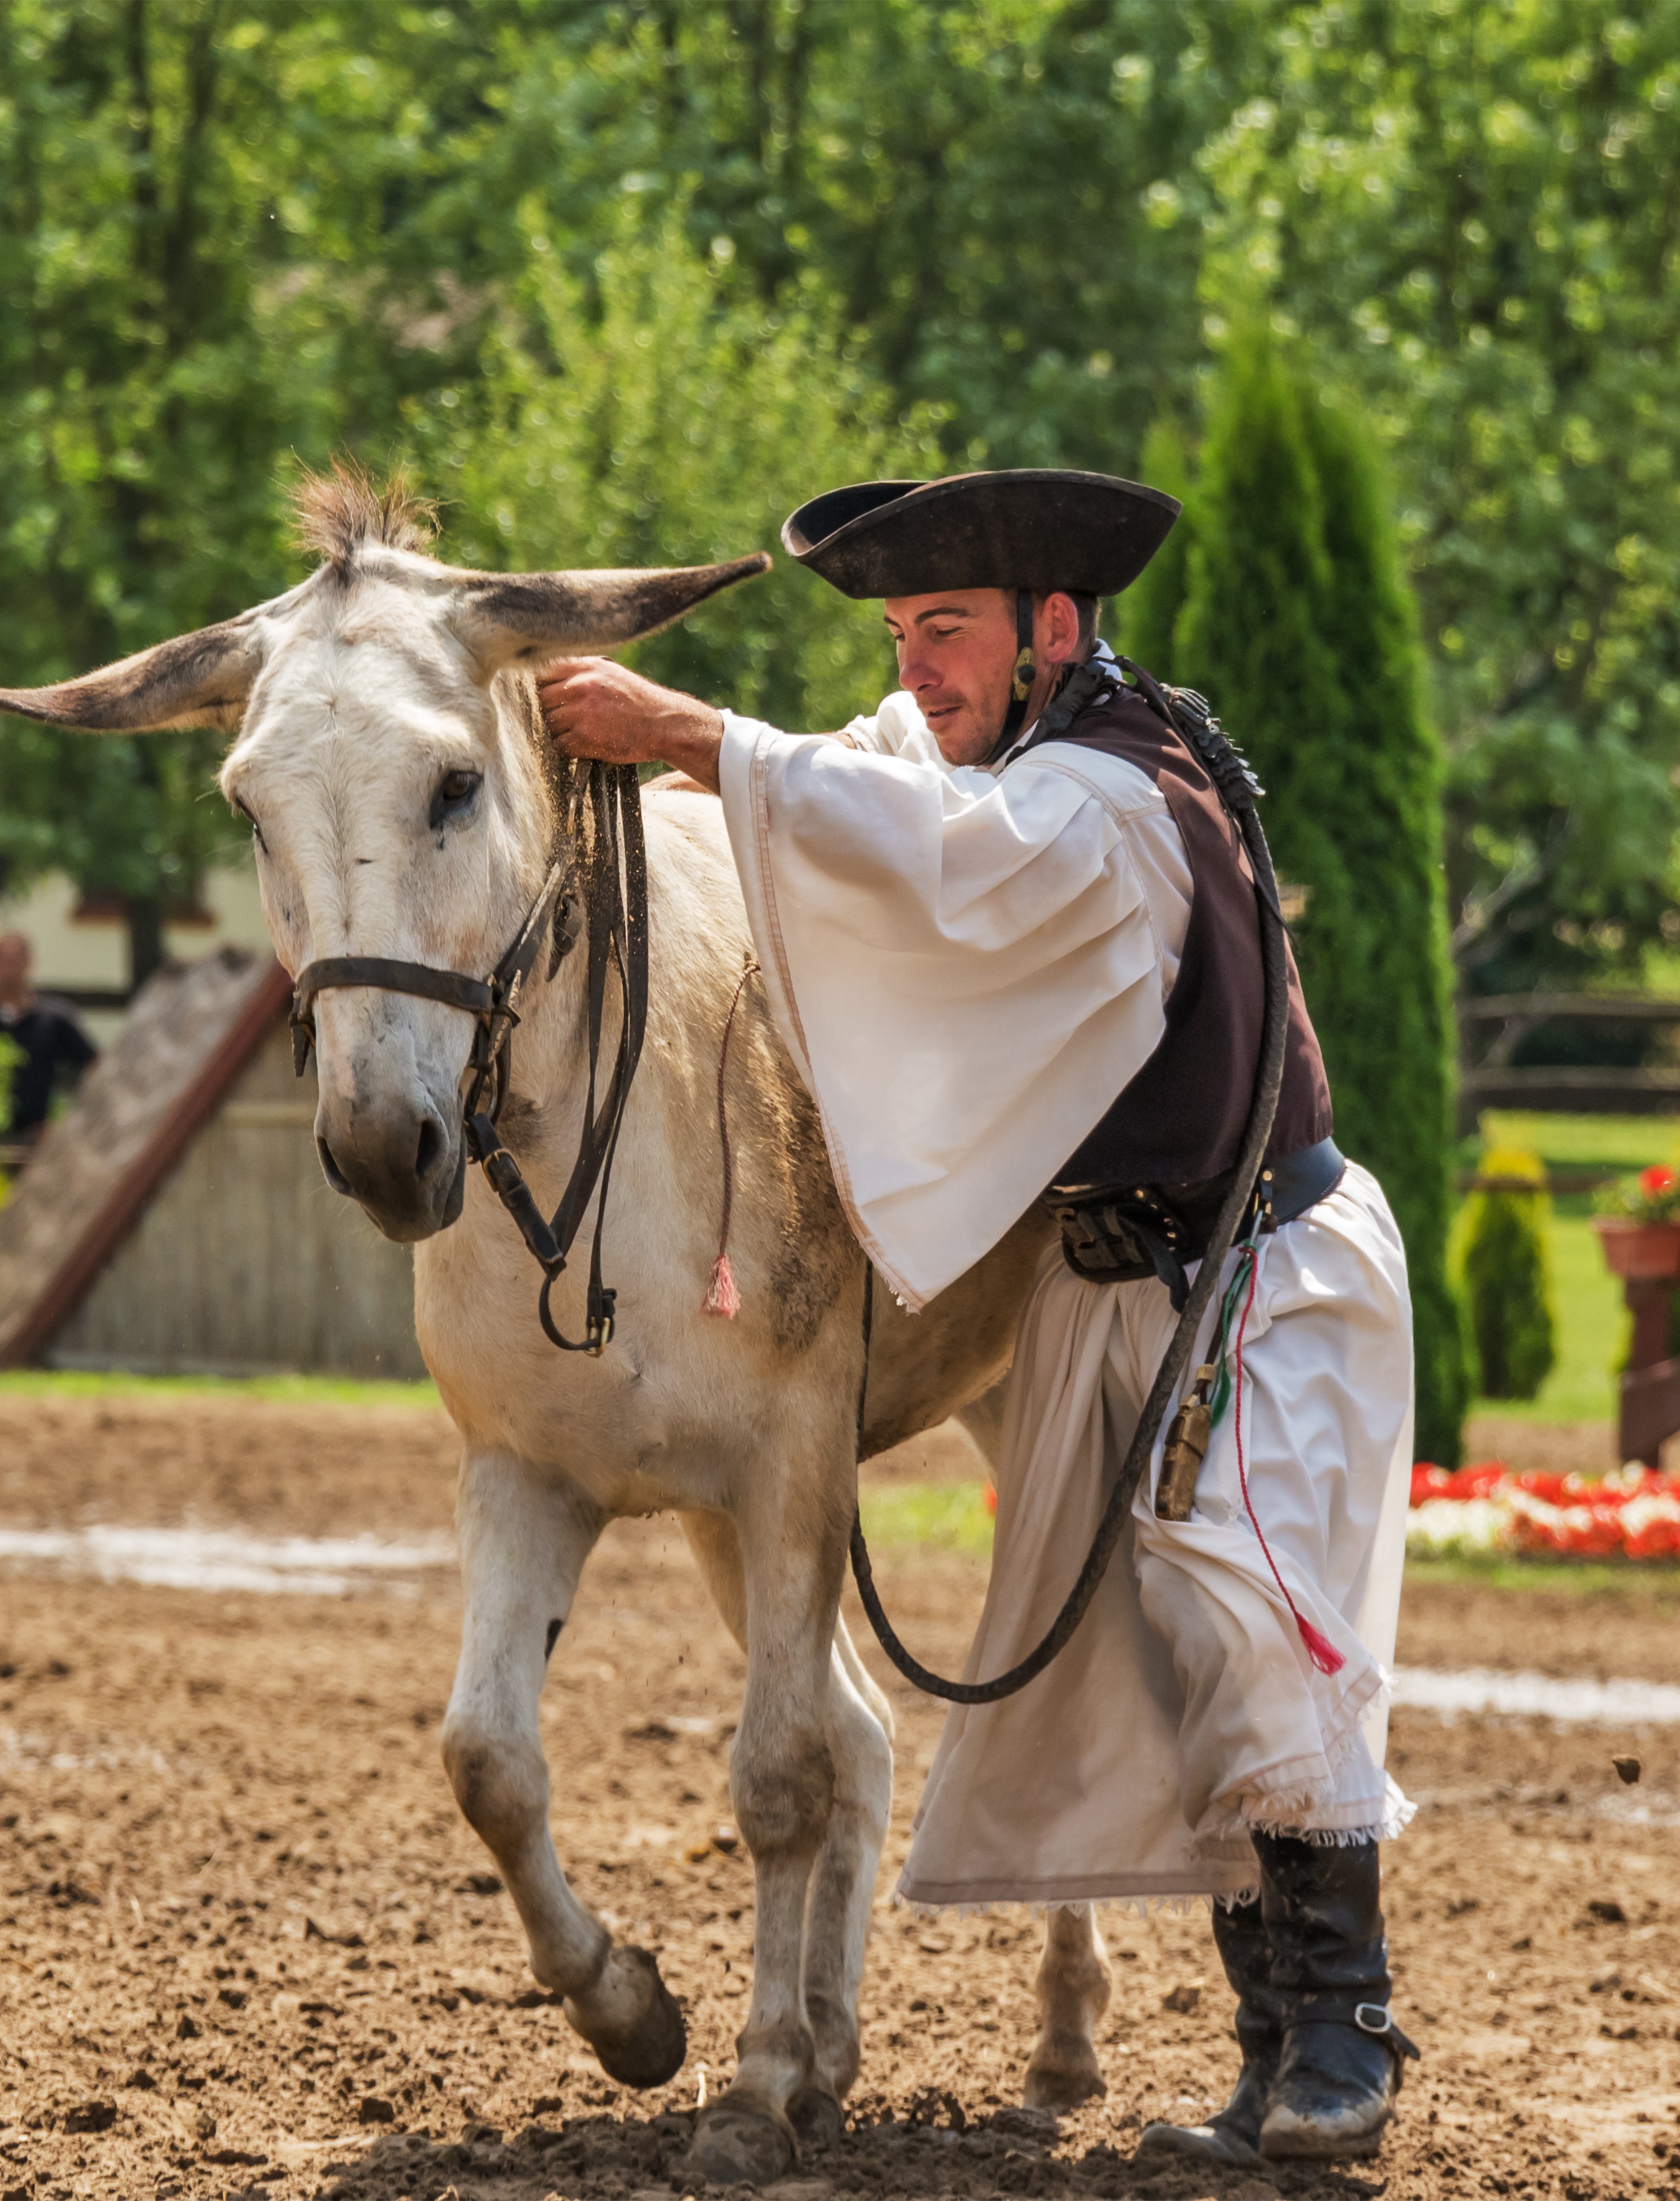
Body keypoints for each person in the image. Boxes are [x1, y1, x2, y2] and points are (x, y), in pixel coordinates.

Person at [535, 470, 1418, 2167]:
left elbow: (945, 864)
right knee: (1179, 1662)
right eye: (898, 631)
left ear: (1053, 633)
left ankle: (1342, 2034)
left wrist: (698, 733)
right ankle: (1274, 2056)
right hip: (1119, 1283)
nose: (915, 662)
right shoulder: (1014, 759)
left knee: (1251, 1622)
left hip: (1253, 1276)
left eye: (946, 628)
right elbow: (878, 788)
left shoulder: (1097, 799)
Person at [0, 930, 97, 1146]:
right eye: (3, 960)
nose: (9, 969)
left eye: (16, 961)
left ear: (29, 963)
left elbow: (93, 1066)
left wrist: (69, 1121)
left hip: (36, 1140)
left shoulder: (52, 1018)